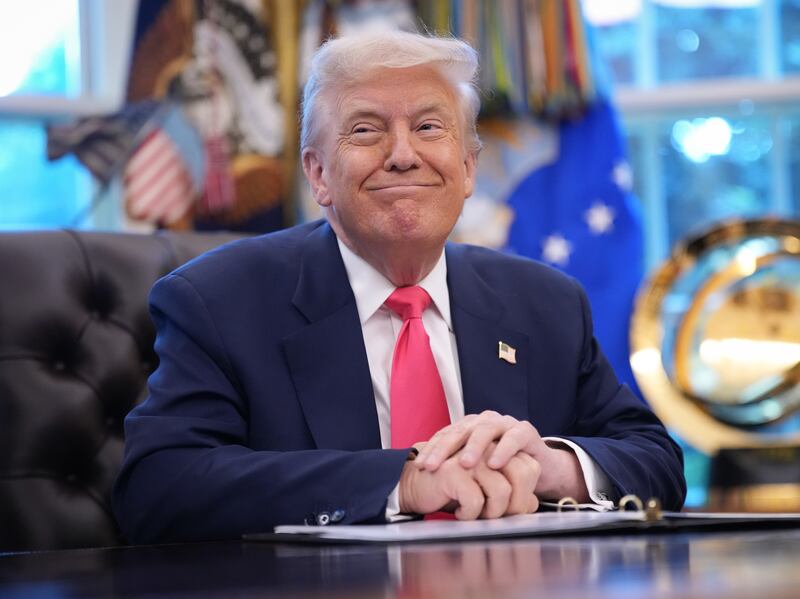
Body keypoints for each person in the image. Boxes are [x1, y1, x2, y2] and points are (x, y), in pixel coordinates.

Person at [113, 30, 685, 543]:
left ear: (466, 170)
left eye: (429, 128)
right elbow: (159, 487)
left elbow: (656, 460)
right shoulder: (217, 300)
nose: (403, 155)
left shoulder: (546, 303)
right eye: (366, 131)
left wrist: (551, 464)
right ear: (317, 174)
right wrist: (403, 481)